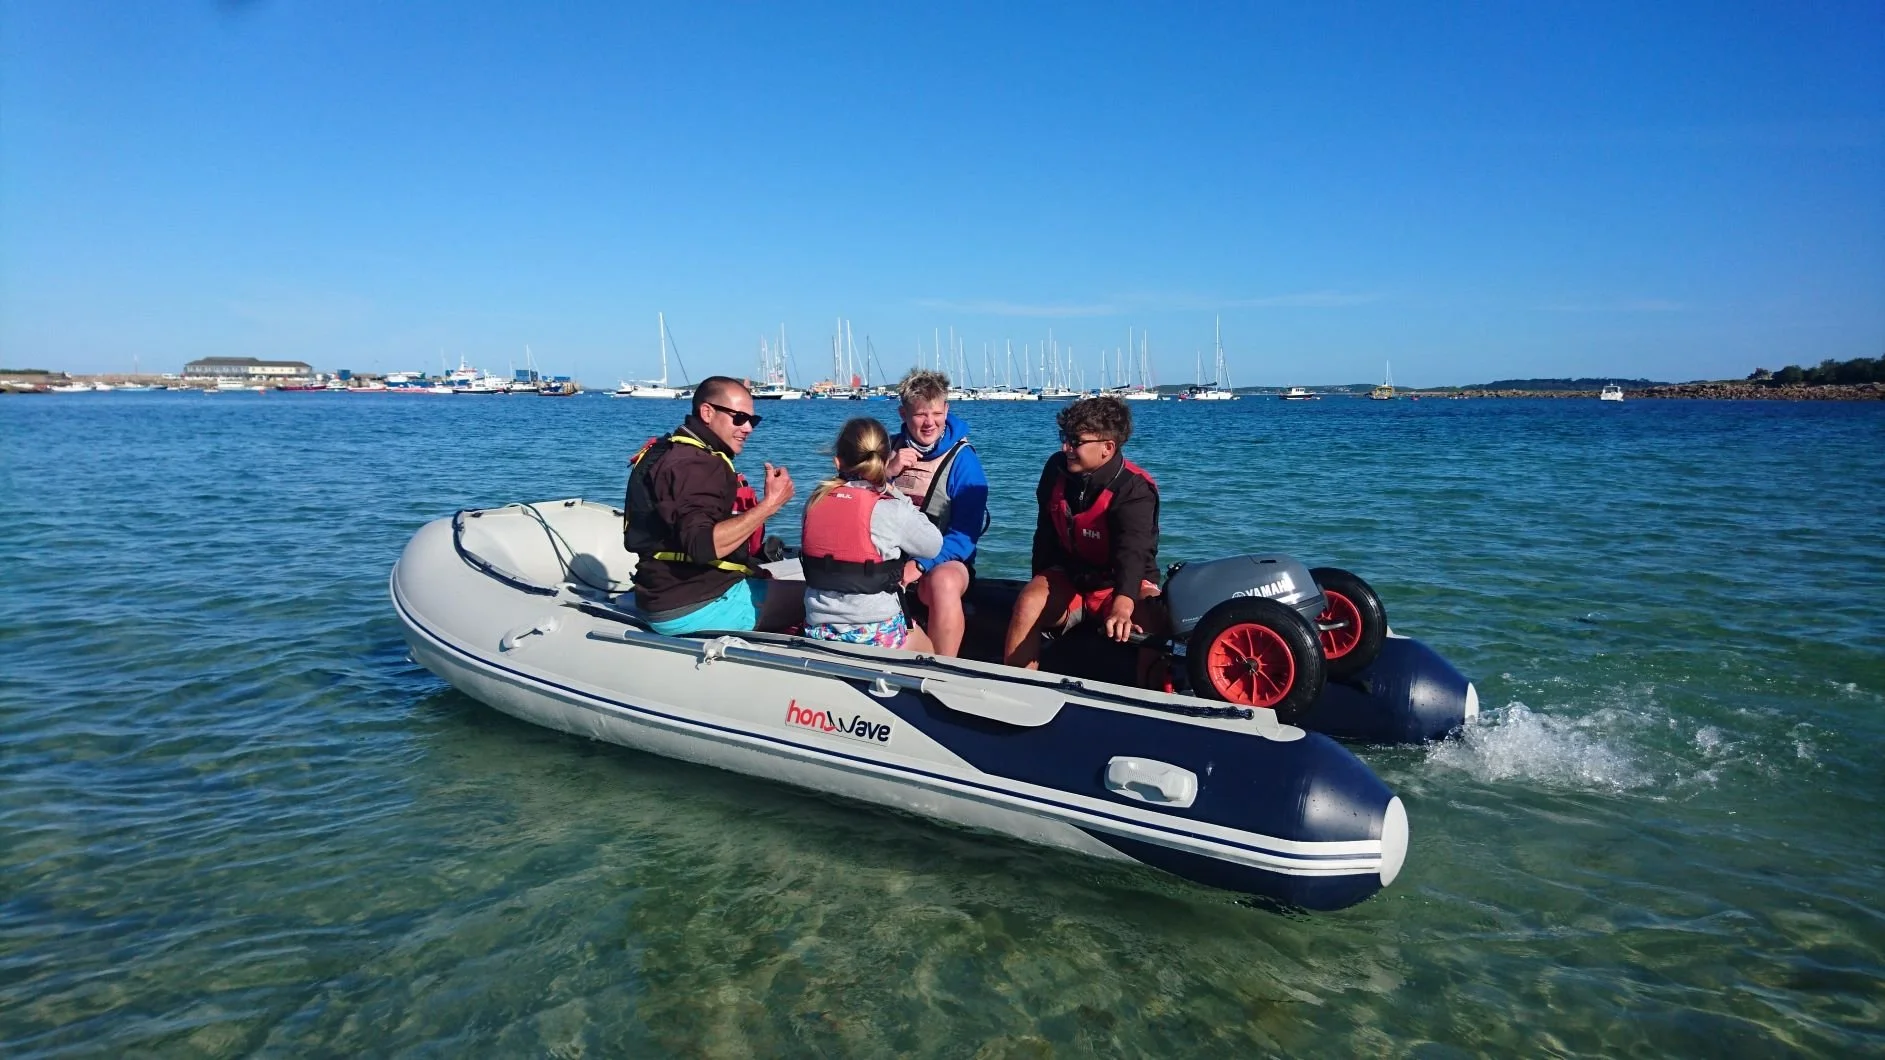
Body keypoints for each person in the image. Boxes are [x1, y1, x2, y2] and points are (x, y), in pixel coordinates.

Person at [1002, 395, 1168, 680]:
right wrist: (1039, 583)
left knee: (1155, 614)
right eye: (1064, 438)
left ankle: (1153, 696)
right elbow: (1044, 536)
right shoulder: (1055, 470)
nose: (1065, 448)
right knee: (1029, 601)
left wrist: (1123, 604)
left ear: (1107, 448)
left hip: (1120, 583)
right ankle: (1016, 686)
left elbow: (1134, 553)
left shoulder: (1135, 489)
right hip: (1072, 579)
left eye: (1075, 442)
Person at [624, 376, 804, 635]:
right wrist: (770, 505)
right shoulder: (699, 465)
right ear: (707, 412)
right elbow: (704, 545)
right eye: (739, 418)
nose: (748, 428)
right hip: (696, 606)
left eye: (753, 420)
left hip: (659, 595)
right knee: (823, 601)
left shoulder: (672, 452)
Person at [800, 418, 944, 650]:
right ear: (886, 459)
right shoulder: (890, 508)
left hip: (818, 627)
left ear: (838, 462)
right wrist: (893, 489)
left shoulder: (814, 502)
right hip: (875, 632)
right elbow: (933, 545)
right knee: (927, 649)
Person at [883, 369, 988, 656]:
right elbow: (851, 500)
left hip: (941, 563)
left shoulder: (963, 461)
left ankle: (943, 667)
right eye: (920, 415)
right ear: (903, 413)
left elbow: (964, 538)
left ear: (946, 410)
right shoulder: (886, 450)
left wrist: (919, 566)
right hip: (889, 556)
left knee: (944, 582)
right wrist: (885, 473)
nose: (930, 423)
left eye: (936, 413)